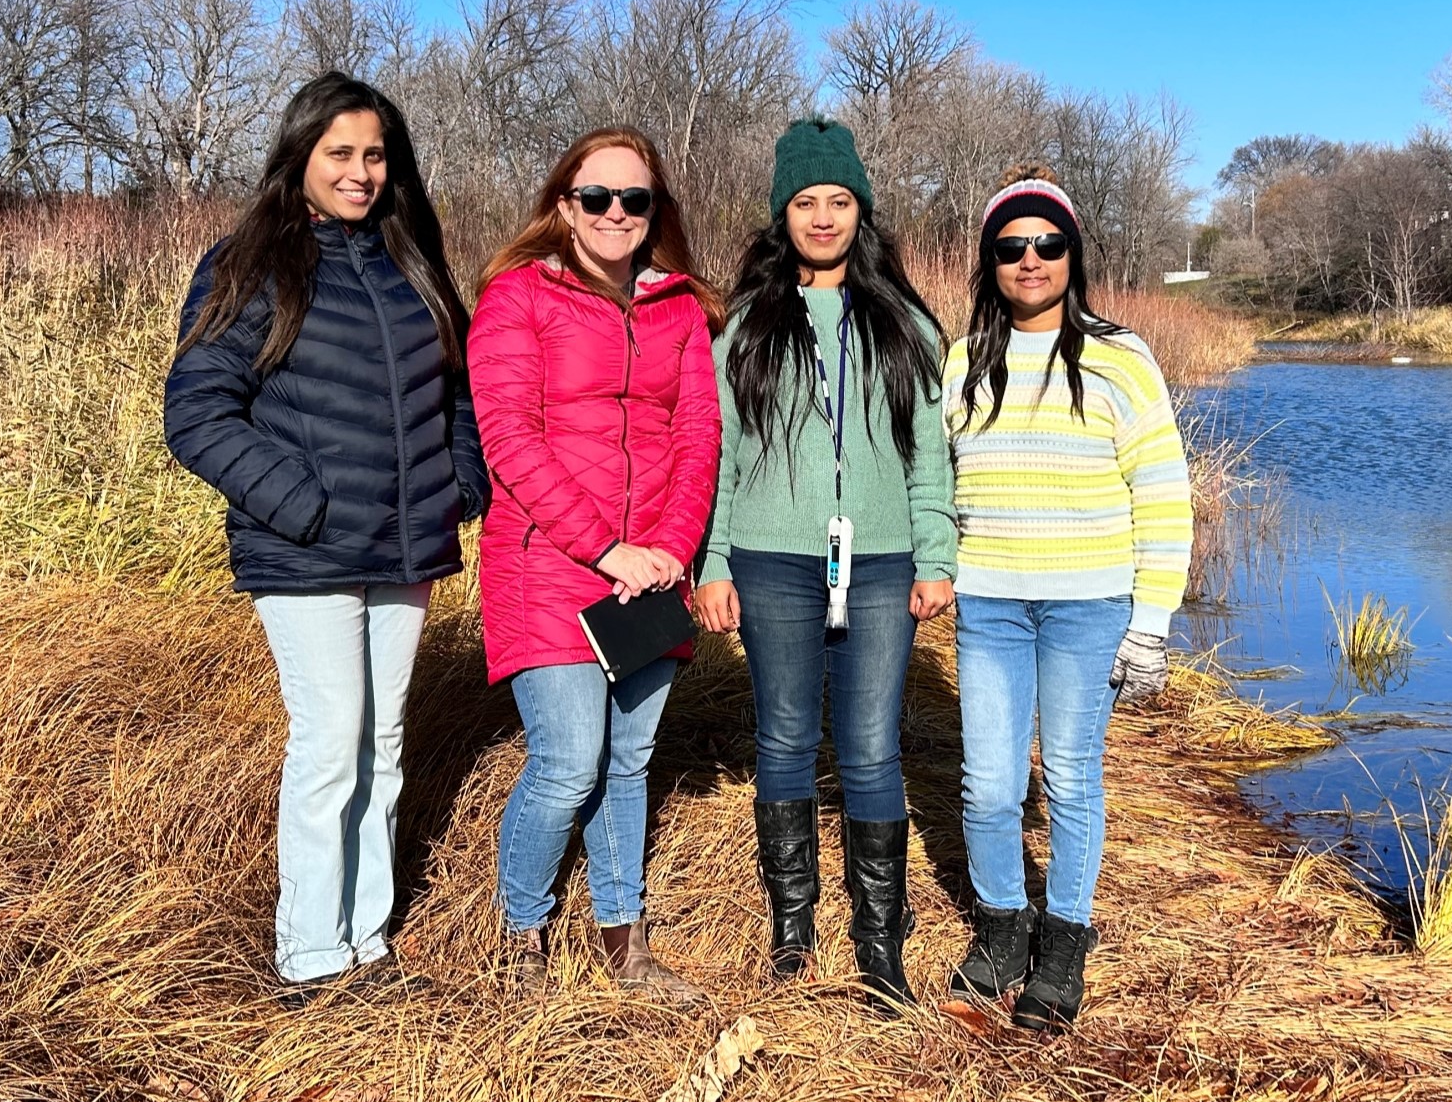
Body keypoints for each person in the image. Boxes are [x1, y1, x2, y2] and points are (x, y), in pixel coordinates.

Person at [163, 71, 484, 1005]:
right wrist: (299, 505)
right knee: (331, 740)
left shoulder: (409, 262)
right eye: (340, 153)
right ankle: (309, 957)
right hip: (303, 553)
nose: (360, 171)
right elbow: (197, 412)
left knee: (382, 744)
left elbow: (455, 392)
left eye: (375, 155)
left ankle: (366, 940)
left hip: (406, 546)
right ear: (300, 156)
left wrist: (458, 483)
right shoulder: (252, 263)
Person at [691, 119, 954, 1009]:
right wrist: (715, 559)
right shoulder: (745, 330)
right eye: (806, 202)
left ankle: (881, 942)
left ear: (861, 212)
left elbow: (928, 457)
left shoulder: (907, 325)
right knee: (787, 734)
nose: (823, 217)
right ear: (782, 214)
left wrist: (936, 554)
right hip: (771, 560)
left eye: (839, 201)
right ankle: (793, 933)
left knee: (873, 744)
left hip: (878, 560)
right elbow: (722, 456)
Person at [469, 127, 724, 1001]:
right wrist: (603, 546)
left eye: (635, 199)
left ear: (656, 212)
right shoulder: (517, 298)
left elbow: (698, 439)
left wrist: (667, 551)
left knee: (628, 759)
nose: (617, 213)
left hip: (650, 573)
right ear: (564, 205)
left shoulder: (681, 309)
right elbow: (509, 437)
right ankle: (521, 936)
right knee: (571, 758)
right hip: (549, 564)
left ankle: (626, 941)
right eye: (598, 197)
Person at [941, 167, 1188, 1032]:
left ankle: (1065, 939)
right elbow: (938, 487)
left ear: (1072, 253)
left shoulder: (1122, 358)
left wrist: (1149, 623)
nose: (1030, 260)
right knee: (988, 783)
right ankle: (1005, 924)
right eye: (1011, 247)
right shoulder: (964, 361)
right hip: (992, 605)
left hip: (1089, 607)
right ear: (991, 261)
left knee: (1074, 776)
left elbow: (1162, 490)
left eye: (1047, 243)